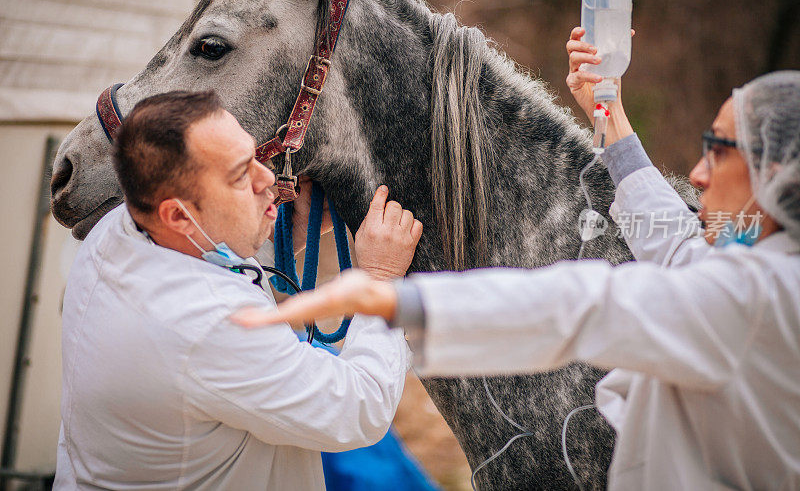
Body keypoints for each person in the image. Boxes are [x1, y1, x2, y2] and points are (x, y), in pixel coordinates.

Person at [233, 35, 800, 489]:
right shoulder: (767, 267)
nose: (697, 175)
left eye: (719, 149)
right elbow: (676, 243)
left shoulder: (757, 294)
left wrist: (391, 294)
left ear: (776, 171)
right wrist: (605, 109)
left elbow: (584, 304)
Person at [55, 90, 422, 489]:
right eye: (239, 175)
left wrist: (292, 230)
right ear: (178, 214)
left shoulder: (117, 231)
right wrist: (380, 278)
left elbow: (211, 258)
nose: (269, 180)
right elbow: (359, 410)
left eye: (254, 157)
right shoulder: (208, 324)